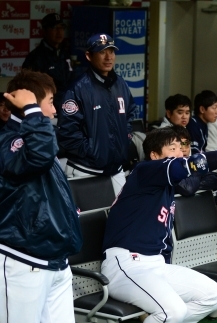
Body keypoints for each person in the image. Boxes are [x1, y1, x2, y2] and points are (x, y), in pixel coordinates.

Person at [101, 127, 217, 323]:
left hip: (155, 264)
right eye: (172, 148)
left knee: (213, 295)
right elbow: (193, 164)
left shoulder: (166, 185)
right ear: (155, 155)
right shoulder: (144, 171)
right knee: (173, 312)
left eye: (181, 148)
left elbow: (197, 178)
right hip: (126, 264)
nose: (180, 152)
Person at [0, 70, 82, 323]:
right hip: (23, 261)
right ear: (31, 104)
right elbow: (40, 155)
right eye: (49, 101)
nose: (56, 109)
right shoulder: (8, 140)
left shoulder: (35, 136)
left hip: (56, 260)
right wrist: (32, 110)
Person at [57, 33, 137, 196]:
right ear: (89, 55)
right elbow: (67, 133)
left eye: (112, 51)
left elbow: (130, 114)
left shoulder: (120, 83)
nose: (108, 57)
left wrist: (124, 138)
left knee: (122, 217)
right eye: (102, 52)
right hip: (86, 170)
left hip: (116, 169)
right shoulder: (78, 89)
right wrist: (94, 150)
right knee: (89, 221)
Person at [22, 13, 72, 114]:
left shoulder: (66, 53)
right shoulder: (35, 57)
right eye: (55, 28)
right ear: (44, 31)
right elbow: (28, 89)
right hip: (47, 111)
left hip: (68, 107)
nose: (59, 32)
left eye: (61, 28)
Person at [171, 125, 217, 197]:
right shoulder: (169, 167)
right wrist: (196, 169)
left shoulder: (190, 162)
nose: (184, 149)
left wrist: (194, 184)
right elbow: (188, 189)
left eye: (186, 144)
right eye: (180, 145)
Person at [187, 90, 217, 154]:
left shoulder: (203, 123)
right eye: (214, 108)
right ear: (202, 109)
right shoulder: (193, 125)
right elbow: (194, 152)